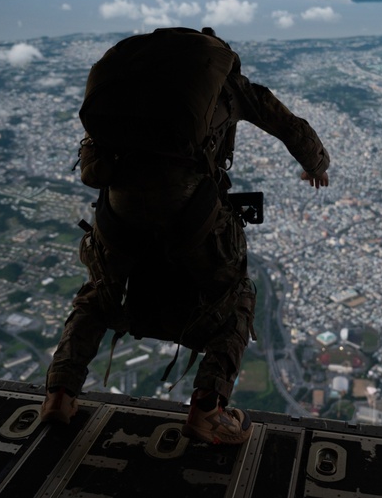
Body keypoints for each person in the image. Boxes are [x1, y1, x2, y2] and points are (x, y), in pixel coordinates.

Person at [41, 27, 329, 445]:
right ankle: (208, 412)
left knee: (100, 296)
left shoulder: (132, 86)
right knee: (234, 298)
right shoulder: (227, 87)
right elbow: (285, 123)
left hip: (116, 210)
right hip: (188, 211)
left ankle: (59, 396)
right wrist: (316, 164)